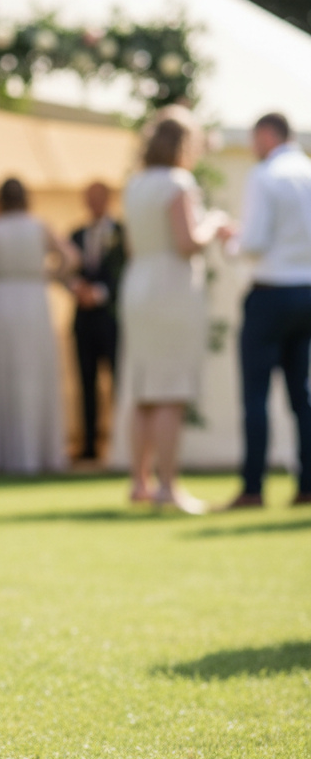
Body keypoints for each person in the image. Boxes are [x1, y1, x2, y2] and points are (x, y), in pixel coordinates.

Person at [119, 108, 232, 512]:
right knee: (169, 390)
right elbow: (187, 242)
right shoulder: (178, 182)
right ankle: (168, 486)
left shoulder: (134, 185)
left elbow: (133, 246)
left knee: (145, 387)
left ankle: (140, 482)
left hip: (138, 285)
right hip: (171, 288)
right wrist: (215, 222)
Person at [0, 178, 78, 473]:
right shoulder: (39, 225)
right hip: (33, 301)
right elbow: (70, 257)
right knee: (34, 372)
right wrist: (47, 275)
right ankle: (38, 452)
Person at [224, 112, 311, 509]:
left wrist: (231, 240)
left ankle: (253, 487)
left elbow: (254, 241)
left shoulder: (265, 176)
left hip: (270, 292)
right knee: (303, 396)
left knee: (255, 396)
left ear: (266, 134)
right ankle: (307, 484)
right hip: (306, 293)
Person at [68, 182, 127, 461]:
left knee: (118, 380)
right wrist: (77, 288)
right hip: (83, 321)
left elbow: (124, 273)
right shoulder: (76, 234)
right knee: (86, 383)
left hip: (112, 320)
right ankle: (89, 445)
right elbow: (66, 270)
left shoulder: (122, 234)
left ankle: (121, 443)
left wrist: (100, 293)